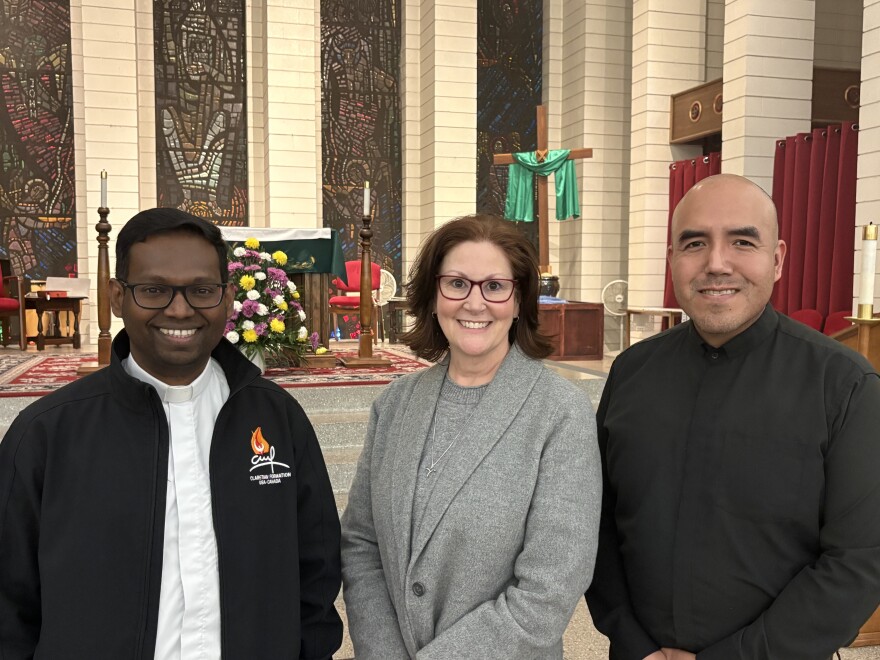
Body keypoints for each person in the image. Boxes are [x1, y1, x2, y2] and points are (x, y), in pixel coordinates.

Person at [0, 208, 342, 659]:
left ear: (226, 296)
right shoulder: (47, 433)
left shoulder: (278, 419)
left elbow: (315, 573)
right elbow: (9, 602)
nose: (180, 310)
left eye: (201, 291)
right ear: (117, 297)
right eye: (154, 290)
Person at [586, 173, 880, 659]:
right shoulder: (632, 372)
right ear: (673, 261)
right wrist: (633, 641)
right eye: (694, 243)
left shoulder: (844, 385)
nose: (716, 263)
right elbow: (595, 524)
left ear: (778, 259)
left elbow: (860, 560)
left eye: (742, 241)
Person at [341, 213, 602, 659]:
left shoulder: (559, 414)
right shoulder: (395, 404)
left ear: (519, 301)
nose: (475, 303)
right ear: (433, 296)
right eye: (457, 283)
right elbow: (362, 543)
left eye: (495, 286)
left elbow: (549, 588)